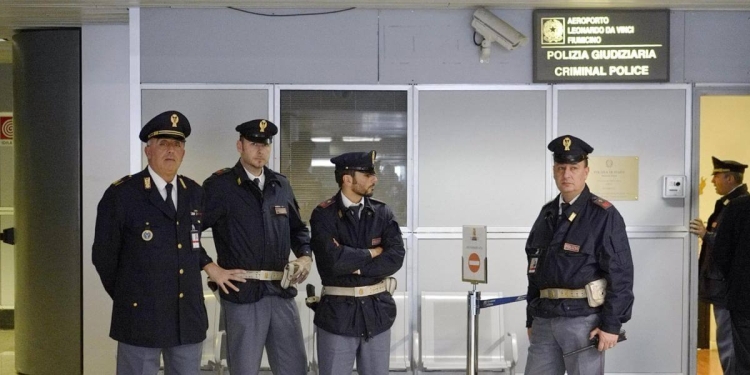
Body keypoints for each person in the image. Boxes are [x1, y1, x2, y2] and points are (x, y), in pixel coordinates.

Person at [93, 110, 239, 375]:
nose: (171, 150)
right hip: (140, 317)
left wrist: (208, 265)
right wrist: (131, 296)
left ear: (183, 152)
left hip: (186, 316)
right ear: (148, 151)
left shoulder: (194, 192)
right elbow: (104, 257)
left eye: (177, 144)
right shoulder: (123, 195)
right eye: (163, 143)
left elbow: (188, 241)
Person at [202, 119, 312, 375]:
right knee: (244, 369)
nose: (260, 150)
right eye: (253, 143)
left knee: (295, 368)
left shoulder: (280, 185)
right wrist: (211, 268)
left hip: (280, 290)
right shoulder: (220, 186)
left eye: (265, 144)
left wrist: (305, 257)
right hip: (243, 294)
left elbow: (298, 229)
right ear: (240, 146)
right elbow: (188, 233)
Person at [524, 135, 634, 375]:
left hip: (583, 320)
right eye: (561, 168)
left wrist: (612, 324)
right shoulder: (546, 215)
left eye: (574, 168)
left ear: (586, 171)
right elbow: (534, 269)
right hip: (544, 319)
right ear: (554, 171)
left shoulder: (603, 215)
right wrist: (530, 319)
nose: (567, 175)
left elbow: (620, 273)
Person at [310, 150, 405, 375]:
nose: (375, 179)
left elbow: (395, 257)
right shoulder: (323, 215)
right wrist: (373, 253)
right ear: (347, 178)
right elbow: (332, 261)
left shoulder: (382, 213)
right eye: (367, 174)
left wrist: (353, 262)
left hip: (377, 313)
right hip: (338, 315)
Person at [689, 156, 747, 374]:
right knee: (726, 338)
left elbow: (731, 246)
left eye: (716, 176)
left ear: (729, 178)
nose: (713, 180)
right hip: (720, 284)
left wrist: (706, 234)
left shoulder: (739, 206)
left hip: (727, 286)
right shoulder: (727, 204)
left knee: (729, 339)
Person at [713, 193, 750, 374]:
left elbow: (721, 252)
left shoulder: (738, 206)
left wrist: (736, 276)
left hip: (744, 294)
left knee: (744, 355)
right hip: (742, 294)